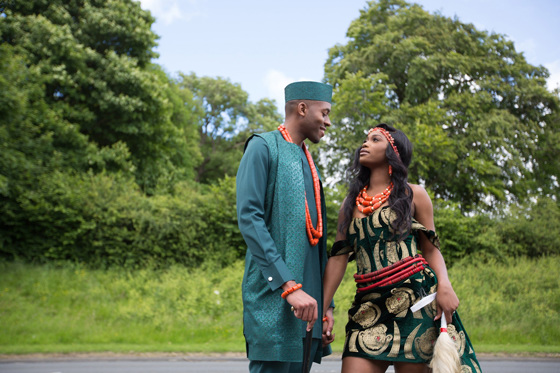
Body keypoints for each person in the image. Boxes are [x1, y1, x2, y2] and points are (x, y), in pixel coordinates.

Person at [322, 124, 482, 373]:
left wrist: (445, 286)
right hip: (367, 308)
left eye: (375, 139)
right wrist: (324, 309)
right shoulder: (350, 203)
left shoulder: (414, 194)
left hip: (416, 304)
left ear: (393, 152)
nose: (365, 143)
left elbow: (430, 249)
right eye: (365, 139)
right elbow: (338, 258)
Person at [236, 81, 336, 373]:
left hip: (309, 309)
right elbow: (250, 219)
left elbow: (316, 238)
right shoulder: (262, 146)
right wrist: (287, 285)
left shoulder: (309, 161)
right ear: (302, 108)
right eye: (325, 113)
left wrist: (327, 305)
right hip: (275, 301)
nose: (328, 122)